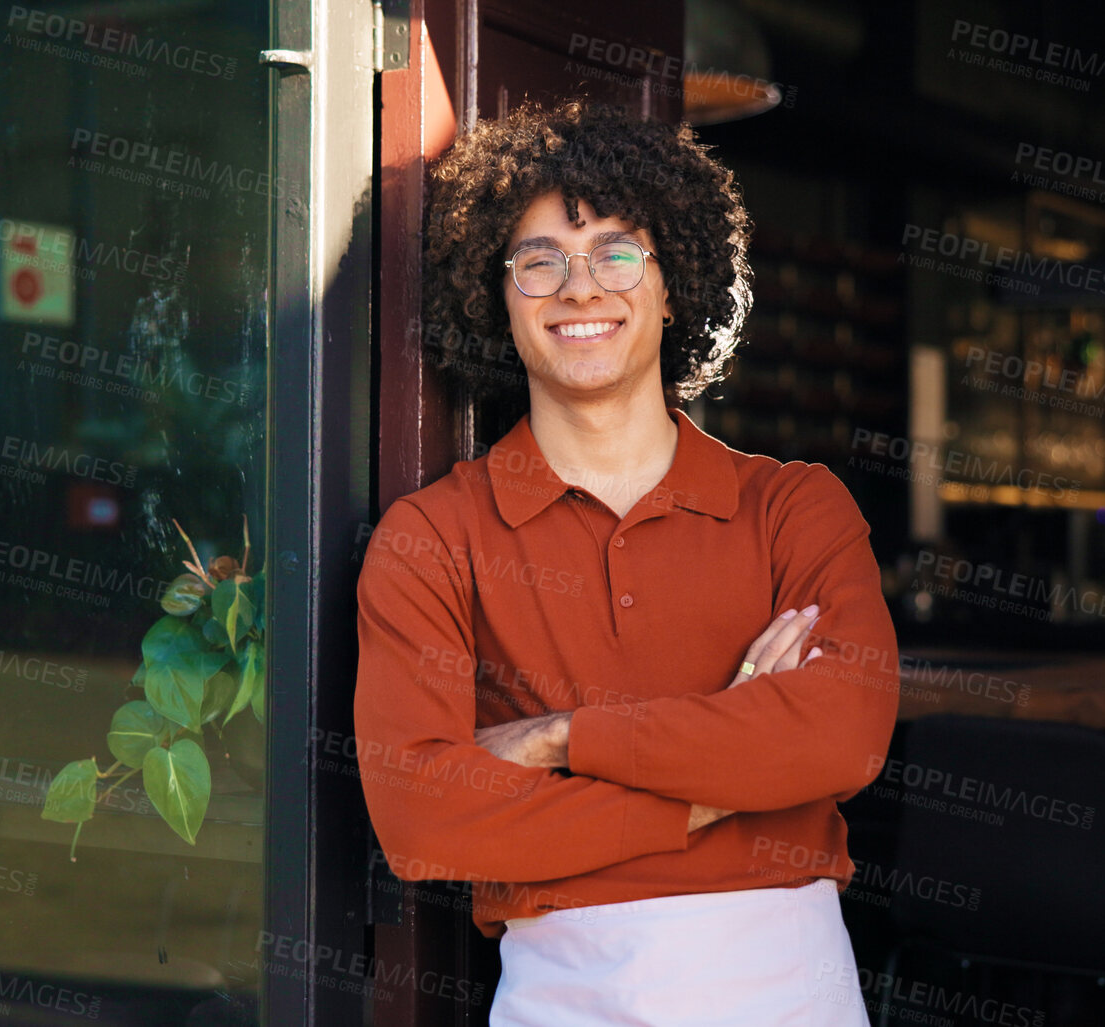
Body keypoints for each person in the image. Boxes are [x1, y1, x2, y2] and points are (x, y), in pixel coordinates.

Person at [354, 99, 898, 1026]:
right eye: (539, 262)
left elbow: (840, 736)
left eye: (616, 253)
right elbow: (420, 817)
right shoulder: (430, 537)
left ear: (673, 282)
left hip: (785, 982)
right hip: (564, 990)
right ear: (498, 297)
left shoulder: (794, 509)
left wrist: (562, 738)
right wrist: (706, 791)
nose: (578, 289)